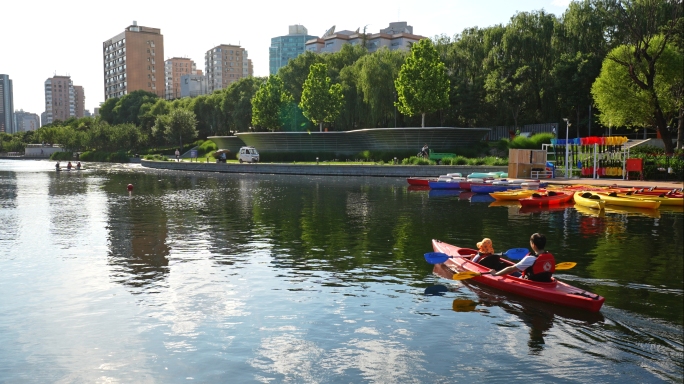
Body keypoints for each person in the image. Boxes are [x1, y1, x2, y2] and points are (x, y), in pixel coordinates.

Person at [489, 233, 555, 282]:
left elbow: (511, 269)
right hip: (547, 281)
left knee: (513, 272)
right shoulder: (550, 256)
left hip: (531, 282)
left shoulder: (530, 258)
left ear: (533, 245)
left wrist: (495, 274)